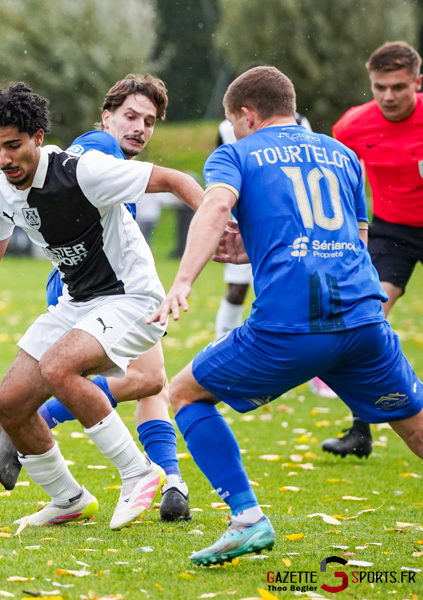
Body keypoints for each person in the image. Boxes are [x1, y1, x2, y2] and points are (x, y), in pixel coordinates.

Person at [148, 66, 423, 566]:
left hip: (290, 328)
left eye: (234, 123)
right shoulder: (342, 154)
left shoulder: (235, 153)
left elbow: (214, 208)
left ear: (246, 116)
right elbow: (352, 241)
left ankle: (247, 519)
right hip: (364, 320)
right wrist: (262, 250)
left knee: (185, 393)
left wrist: (183, 281)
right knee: (414, 428)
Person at [0, 82, 204, 529]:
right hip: (78, 302)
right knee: (9, 404)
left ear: (37, 137)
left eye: (13, 146)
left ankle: (141, 473)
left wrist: (218, 223)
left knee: (63, 368)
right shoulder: (0, 188)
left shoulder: (83, 170)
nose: (4, 159)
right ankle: (69, 498)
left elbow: (173, 179)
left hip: (131, 297)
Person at [322, 41, 423, 458]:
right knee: (366, 319)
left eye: (398, 87)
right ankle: (360, 430)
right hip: (392, 229)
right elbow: (338, 183)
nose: (387, 97)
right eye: (379, 87)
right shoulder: (350, 128)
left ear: (417, 83)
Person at [214, 108, 313, 340]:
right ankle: (221, 341)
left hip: (290, 224)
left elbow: (308, 167)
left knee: (293, 286)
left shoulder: (298, 122)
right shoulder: (225, 128)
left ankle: (298, 346)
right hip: (247, 223)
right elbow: (223, 176)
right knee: (237, 288)